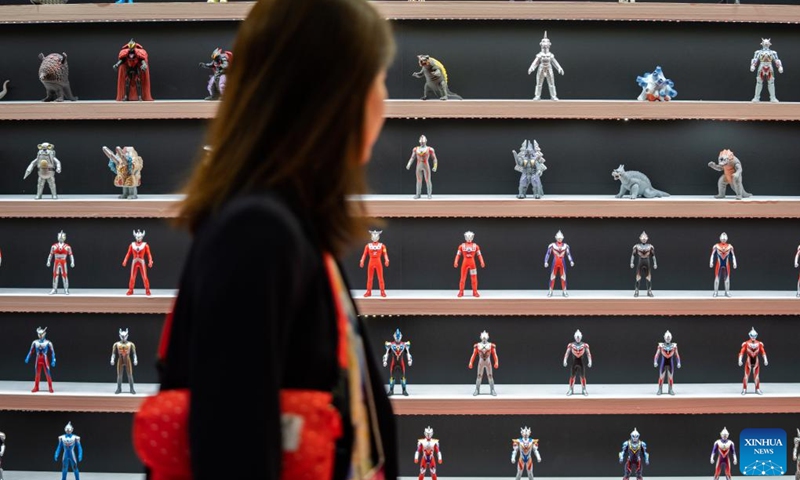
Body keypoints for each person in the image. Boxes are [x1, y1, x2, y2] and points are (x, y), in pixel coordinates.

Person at [131, 0, 398, 479]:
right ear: (334, 97)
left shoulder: (283, 226)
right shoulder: (257, 235)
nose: (385, 98)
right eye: (378, 78)